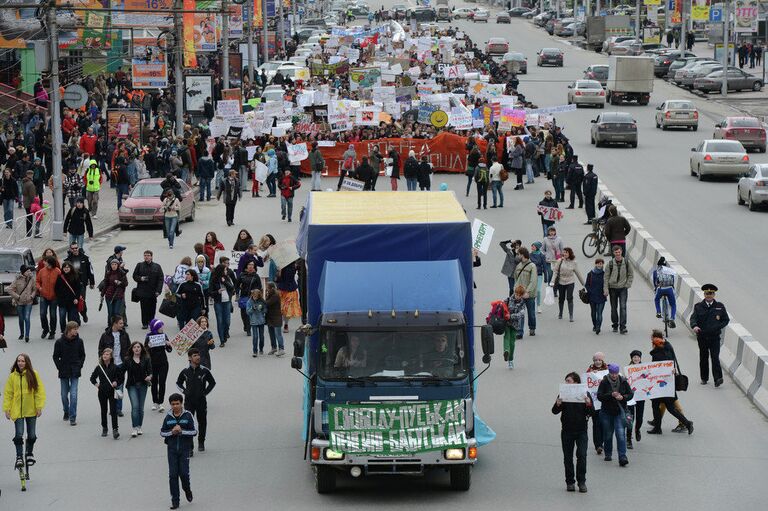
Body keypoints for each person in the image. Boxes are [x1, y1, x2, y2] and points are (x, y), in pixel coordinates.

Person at [646, 331, 694, 435]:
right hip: (668, 384)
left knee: (659, 405)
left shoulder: (659, 352)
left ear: (656, 339)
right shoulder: (668, 346)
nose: (652, 341)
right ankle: (686, 423)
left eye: (653, 339)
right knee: (669, 407)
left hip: (662, 384)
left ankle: (660, 427)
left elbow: (659, 368)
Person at [3, 353, 46, 469]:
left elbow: (39, 391)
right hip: (17, 411)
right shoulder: (12, 376)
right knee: (19, 435)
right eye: (19, 361)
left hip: (31, 410)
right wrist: (6, 408)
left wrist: (39, 406)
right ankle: (19, 457)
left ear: (27, 362)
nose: (20, 363)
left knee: (31, 436)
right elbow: (8, 394)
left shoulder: (33, 374)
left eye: (22, 361)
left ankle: (29, 453)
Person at [552, 372, 591, 493]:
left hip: (581, 431)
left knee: (582, 456)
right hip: (567, 431)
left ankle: (582, 482)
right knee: (568, 457)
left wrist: (588, 403)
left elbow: (592, 413)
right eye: (566, 381)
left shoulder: (585, 393)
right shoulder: (563, 394)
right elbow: (554, 411)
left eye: (568, 381)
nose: (566, 383)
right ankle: (570, 482)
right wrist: (558, 404)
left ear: (576, 382)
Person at [176, 348, 216, 453]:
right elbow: (178, 383)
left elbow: (212, 383)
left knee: (202, 422)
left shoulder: (204, 370)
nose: (198, 357)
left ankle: (201, 441)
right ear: (189, 358)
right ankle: (190, 446)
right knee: (188, 423)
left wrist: (205, 393)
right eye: (194, 355)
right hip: (189, 401)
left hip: (201, 401)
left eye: (198, 355)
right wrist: (184, 391)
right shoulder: (185, 371)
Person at [160, 393, 196, 509]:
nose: (175, 406)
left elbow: (194, 431)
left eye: (177, 404)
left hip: (184, 450)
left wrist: (181, 431)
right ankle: (175, 501)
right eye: (173, 404)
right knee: (173, 475)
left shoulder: (188, 415)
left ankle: (187, 489)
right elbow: (162, 432)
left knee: (184, 474)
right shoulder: (168, 417)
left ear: (181, 404)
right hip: (171, 451)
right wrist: (172, 432)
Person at [689, 283, 730, 387]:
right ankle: (704, 378)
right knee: (703, 357)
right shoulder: (698, 306)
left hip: (715, 337)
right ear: (704, 294)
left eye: (711, 293)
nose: (709, 295)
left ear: (714, 295)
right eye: (707, 293)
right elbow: (693, 318)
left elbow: (726, 319)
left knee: (715, 357)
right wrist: (694, 326)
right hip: (702, 336)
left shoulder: (720, 307)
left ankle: (718, 378)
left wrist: (718, 326)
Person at [596, 364, 633, 467]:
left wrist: (623, 397)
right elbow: (599, 396)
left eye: (615, 373)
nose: (614, 375)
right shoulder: (604, 382)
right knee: (608, 434)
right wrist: (610, 395)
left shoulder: (623, 381)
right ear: (609, 372)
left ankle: (622, 456)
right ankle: (608, 453)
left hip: (619, 412)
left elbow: (630, 394)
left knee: (620, 434)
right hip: (606, 412)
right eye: (612, 373)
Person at [52, 321, 86, 426]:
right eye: (74, 329)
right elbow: (55, 356)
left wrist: (79, 365)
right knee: (63, 395)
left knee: (74, 395)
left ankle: (72, 417)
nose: (76, 331)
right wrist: (59, 367)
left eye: (77, 329)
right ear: (69, 330)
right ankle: (66, 410)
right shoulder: (59, 342)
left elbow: (82, 355)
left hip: (75, 370)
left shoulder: (79, 341)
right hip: (64, 371)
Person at [97, 315, 131, 416]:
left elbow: (129, 348)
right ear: (114, 324)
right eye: (120, 323)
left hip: (121, 364)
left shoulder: (125, 334)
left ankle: (118, 409)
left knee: (119, 386)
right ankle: (112, 407)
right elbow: (100, 349)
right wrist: (103, 360)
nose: (122, 325)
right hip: (110, 365)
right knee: (109, 386)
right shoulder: (105, 335)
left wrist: (127, 361)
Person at [90, 347, 123, 439]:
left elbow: (121, 378)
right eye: (104, 354)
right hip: (102, 392)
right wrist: (97, 385)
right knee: (103, 410)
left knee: (113, 411)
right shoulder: (99, 367)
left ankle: (115, 429)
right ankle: (104, 428)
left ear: (111, 357)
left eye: (107, 354)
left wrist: (116, 382)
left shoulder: (115, 367)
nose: (105, 355)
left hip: (112, 391)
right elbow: (92, 378)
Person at [604, 244, 634, 334]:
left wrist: (627, 284)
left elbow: (631, 274)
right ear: (613, 253)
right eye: (616, 252)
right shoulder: (609, 264)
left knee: (623, 307)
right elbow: (606, 277)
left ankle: (623, 327)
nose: (617, 253)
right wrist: (605, 289)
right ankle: (615, 325)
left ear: (621, 252)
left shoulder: (627, 262)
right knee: (613, 308)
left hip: (623, 288)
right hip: (612, 288)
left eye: (619, 252)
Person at [124, 341, 152, 437]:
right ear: (132, 349)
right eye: (135, 347)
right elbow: (121, 372)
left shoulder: (146, 359)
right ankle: (134, 427)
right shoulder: (127, 360)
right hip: (132, 385)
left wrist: (149, 377)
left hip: (143, 385)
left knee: (141, 408)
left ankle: (139, 426)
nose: (136, 349)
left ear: (141, 349)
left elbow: (150, 372)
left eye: (138, 347)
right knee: (135, 406)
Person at [550, 247, 585, 322]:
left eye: (566, 252)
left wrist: (584, 284)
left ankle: (571, 315)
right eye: (564, 252)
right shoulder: (560, 261)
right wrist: (552, 281)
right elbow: (555, 272)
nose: (564, 254)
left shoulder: (574, 262)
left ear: (570, 253)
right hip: (561, 282)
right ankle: (560, 313)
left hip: (570, 282)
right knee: (561, 298)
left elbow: (578, 273)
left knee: (569, 297)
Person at [145, 319, 173, 412]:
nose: (162, 328)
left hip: (163, 363)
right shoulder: (149, 337)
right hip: (152, 363)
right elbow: (145, 351)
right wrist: (148, 346)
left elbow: (169, 350)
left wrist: (168, 345)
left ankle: (160, 402)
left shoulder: (164, 336)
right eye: (161, 326)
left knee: (162, 382)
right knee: (154, 383)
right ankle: (155, 402)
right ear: (156, 327)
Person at [133, 250, 164, 329]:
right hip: (142, 291)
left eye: (148, 255)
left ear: (151, 256)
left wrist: (158, 291)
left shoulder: (157, 266)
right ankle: (144, 323)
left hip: (153, 291)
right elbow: (134, 276)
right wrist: (141, 278)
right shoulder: (140, 265)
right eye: (145, 255)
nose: (146, 257)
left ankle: (151, 322)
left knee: (152, 308)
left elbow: (160, 279)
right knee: (144, 308)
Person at [64, 242, 95, 324]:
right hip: (71, 284)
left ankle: (84, 313)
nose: (74, 250)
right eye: (73, 248)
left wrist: (92, 282)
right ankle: (76, 319)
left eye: (76, 248)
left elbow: (90, 270)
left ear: (78, 248)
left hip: (82, 284)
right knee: (73, 302)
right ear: (70, 249)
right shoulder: (67, 260)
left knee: (81, 300)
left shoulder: (85, 258)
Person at [210, 257, 236, 347]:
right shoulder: (213, 279)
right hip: (218, 302)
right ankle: (221, 340)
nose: (226, 271)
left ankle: (225, 333)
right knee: (220, 321)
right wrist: (217, 292)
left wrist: (225, 282)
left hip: (227, 302)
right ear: (221, 271)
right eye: (225, 270)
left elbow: (232, 288)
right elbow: (210, 292)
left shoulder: (227, 278)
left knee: (227, 321)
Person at [8, 265, 36, 342]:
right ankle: (22, 333)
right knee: (21, 319)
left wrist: (32, 296)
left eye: (29, 271)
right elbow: (9, 289)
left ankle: (27, 335)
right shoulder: (17, 279)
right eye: (27, 271)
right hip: (19, 302)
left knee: (27, 318)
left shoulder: (32, 279)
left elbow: (34, 289)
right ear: (23, 272)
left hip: (28, 302)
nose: (29, 272)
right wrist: (17, 297)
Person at [513, 247, 537, 337]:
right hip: (520, 294)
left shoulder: (532, 266)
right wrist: (515, 290)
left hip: (529, 295)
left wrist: (527, 291)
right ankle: (519, 332)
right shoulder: (518, 266)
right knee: (520, 314)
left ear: (522, 255)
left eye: (518, 254)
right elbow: (516, 278)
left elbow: (533, 281)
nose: (517, 256)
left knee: (531, 313)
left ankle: (532, 328)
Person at [36, 256, 61, 339]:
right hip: (43, 295)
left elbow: (62, 283)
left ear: (50, 263)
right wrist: (39, 288)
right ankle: (45, 329)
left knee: (53, 315)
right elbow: (37, 281)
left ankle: (52, 332)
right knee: (42, 314)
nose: (44, 263)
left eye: (46, 261)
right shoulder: (42, 271)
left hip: (54, 297)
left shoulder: (57, 271)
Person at [625, 350, 645, 447]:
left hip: (641, 396)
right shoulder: (628, 369)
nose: (636, 358)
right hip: (631, 398)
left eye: (638, 357)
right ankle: (628, 438)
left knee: (640, 418)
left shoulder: (645, 368)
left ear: (640, 358)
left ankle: (637, 429)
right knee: (630, 418)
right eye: (634, 357)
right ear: (632, 358)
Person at [503, 286, 526, 368]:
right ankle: (506, 351)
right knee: (506, 337)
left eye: (519, 295)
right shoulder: (508, 300)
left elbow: (521, 314)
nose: (517, 296)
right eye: (516, 294)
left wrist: (511, 316)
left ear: (522, 295)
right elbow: (502, 307)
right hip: (506, 323)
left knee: (512, 342)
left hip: (515, 325)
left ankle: (511, 359)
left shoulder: (523, 304)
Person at [277, 261, 301, 333]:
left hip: (290, 290)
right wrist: (279, 272)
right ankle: (281, 322)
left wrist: (280, 271)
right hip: (282, 289)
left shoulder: (293, 266)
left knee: (287, 308)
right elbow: (278, 279)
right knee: (281, 308)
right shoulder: (282, 265)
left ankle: (286, 324)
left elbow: (289, 277)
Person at [652, 257, 677, 328]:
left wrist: (655, 288)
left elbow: (655, 282)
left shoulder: (655, 272)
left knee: (656, 300)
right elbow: (673, 281)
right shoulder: (670, 271)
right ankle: (672, 318)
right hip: (669, 289)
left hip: (660, 289)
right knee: (673, 304)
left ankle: (659, 312)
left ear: (658, 265)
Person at [102, 259, 128, 327]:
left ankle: (117, 326)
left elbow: (125, 283)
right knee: (110, 312)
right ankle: (110, 326)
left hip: (118, 295)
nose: (113, 266)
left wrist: (119, 283)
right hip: (109, 295)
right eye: (112, 264)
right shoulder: (108, 273)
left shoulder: (122, 273)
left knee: (116, 312)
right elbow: (105, 284)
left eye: (115, 264)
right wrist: (102, 294)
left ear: (118, 265)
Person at [585, 258, 607, 334]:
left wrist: (605, 291)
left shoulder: (605, 275)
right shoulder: (590, 274)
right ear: (595, 264)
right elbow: (587, 285)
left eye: (601, 263)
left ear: (603, 264)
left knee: (599, 313)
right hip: (592, 297)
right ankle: (595, 325)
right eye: (598, 263)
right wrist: (590, 291)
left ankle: (598, 327)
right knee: (593, 313)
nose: (599, 265)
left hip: (601, 296)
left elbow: (607, 284)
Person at [264, 282, 285, 356]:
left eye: (267, 288)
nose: (266, 289)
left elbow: (267, 303)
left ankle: (281, 348)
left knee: (277, 334)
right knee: (271, 333)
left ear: (271, 288)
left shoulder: (275, 296)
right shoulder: (269, 295)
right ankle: (274, 347)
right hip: (270, 317)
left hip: (276, 317)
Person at [246, 289, 267, 357]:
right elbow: (247, 312)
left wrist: (262, 309)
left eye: (256, 296)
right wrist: (252, 309)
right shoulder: (249, 302)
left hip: (261, 321)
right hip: (254, 321)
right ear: (252, 295)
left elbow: (266, 310)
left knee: (261, 337)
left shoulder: (262, 301)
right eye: (254, 296)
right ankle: (255, 351)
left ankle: (261, 348)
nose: (255, 297)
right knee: (255, 337)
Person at [530, 241, 546, 314]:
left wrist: (546, 277)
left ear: (537, 247)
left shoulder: (542, 255)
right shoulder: (529, 255)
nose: (532, 248)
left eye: (533, 246)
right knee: (531, 291)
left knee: (538, 290)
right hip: (531, 275)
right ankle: (531, 305)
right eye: (532, 246)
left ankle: (538, 305)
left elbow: (545, 267)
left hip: (539, 275)